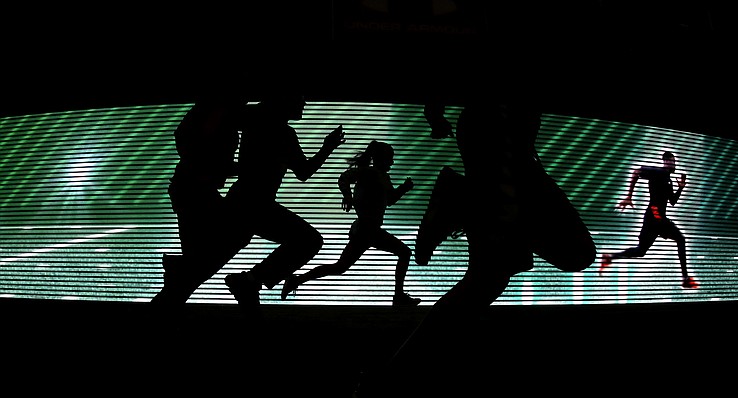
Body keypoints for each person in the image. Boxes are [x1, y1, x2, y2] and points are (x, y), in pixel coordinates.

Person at [353, 92, 597, 396]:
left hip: (500, 140)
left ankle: (388, 380)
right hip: (502, 138)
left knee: (489, 278)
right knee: (564, 256)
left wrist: (436, 114)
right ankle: (461, 198)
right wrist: (435, 112)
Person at [223, 92, 346, 315]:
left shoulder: (255, 122)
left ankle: (249, 284)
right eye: (299, 98)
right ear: (284, 101)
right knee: (309, 241)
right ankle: (249, 281)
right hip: (254, 203)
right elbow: (304, 172)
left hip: (244, 200)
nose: (304, 103)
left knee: (206, 260)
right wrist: (328, 147)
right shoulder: (282, 133)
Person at [280, 140, 421, 306]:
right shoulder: (370, 173)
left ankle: (296, 281)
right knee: (402, 253)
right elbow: (344, 178)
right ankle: (398, 297)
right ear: (381, 159)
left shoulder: (381, 176)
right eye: (390, 158)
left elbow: (389, 200)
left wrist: (404, 188)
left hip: (368, 230)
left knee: (340, 267)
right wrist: (347, 196)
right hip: (367, 230)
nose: (392, 162)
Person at [150, 95, 252, 316]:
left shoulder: (221, 115)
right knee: (237, 233)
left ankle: (167, 300)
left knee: (192, 269)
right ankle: (169, 292)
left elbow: (200, 150)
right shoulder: (216, 112)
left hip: (193, 190)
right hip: (194, 191)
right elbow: (193, 146)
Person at [600, 150, 698, 289]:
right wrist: (629, 196)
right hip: (655, 214)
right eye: (670, 160)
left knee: (641, 251)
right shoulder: (659, 172)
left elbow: (672, 202)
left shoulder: (668, 180)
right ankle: (685, 279)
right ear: (665, 162)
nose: (673, 162)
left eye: (674, 160)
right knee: (680, 239)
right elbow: (636, 172)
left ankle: (610, 257)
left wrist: (680, 189)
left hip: (653, 217)